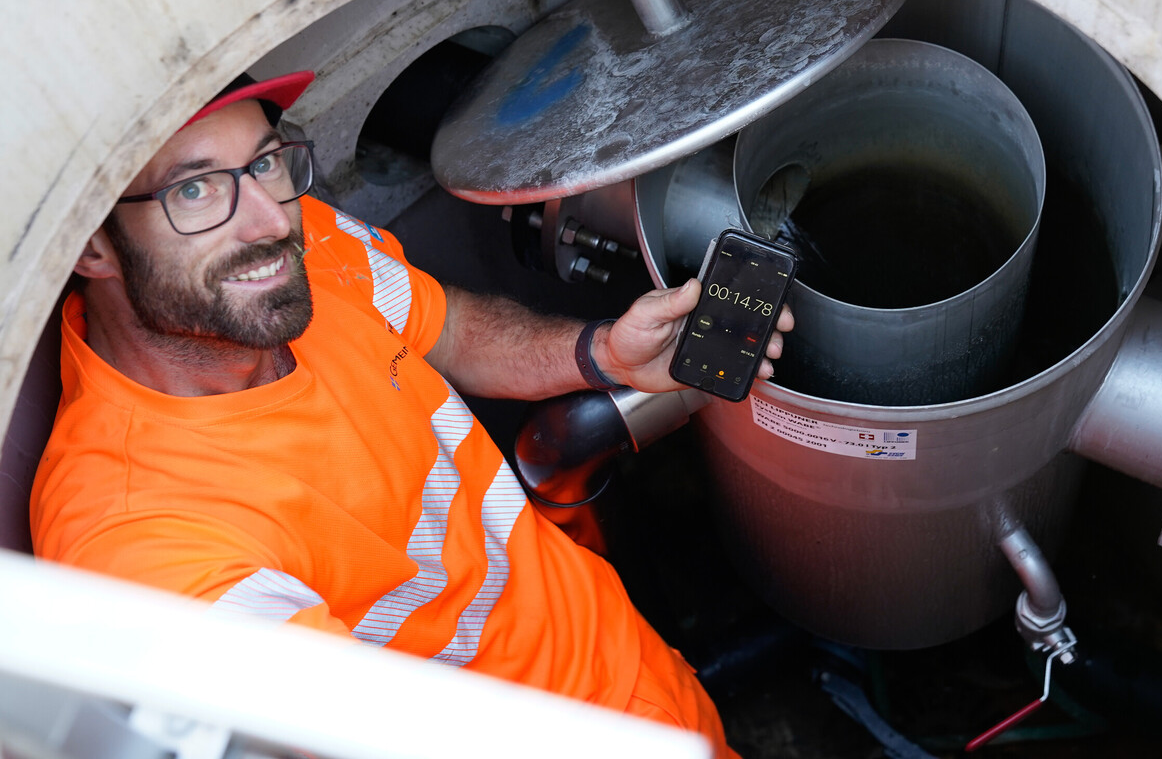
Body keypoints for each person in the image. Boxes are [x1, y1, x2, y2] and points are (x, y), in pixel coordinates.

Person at [30, 70, 790, 757]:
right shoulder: (139, 545)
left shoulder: (295, 250)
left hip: (624, 663)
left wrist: (603, 355)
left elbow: (448, 329)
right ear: (92, 246)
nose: (269, 223)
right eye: (194, 191)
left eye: (263, 163)